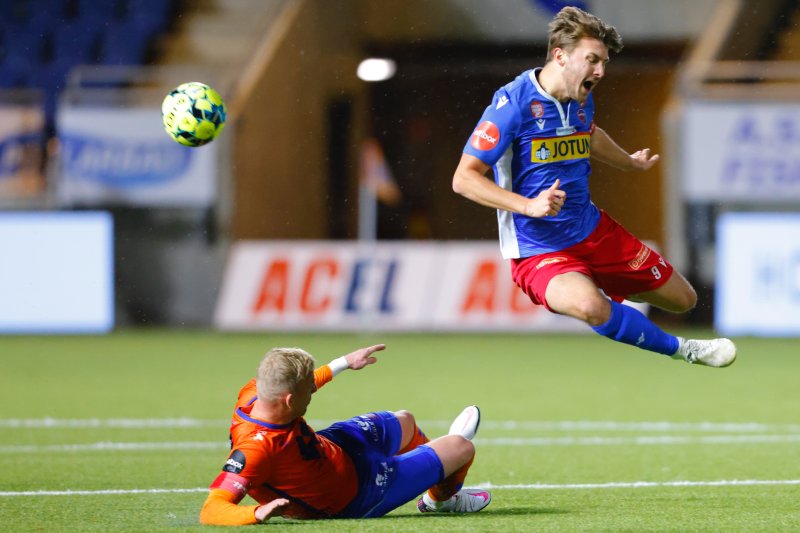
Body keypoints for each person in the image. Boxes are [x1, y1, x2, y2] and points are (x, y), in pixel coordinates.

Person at [452, 6, 736, 367]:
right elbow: (464, 178)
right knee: (590, 305)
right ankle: (684, 349)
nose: (600, 71)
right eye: (592, 60)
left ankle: (604, 289)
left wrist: (628, 162)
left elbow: (589, 133)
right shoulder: (512, 105)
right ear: (560, 56)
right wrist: (528, 205)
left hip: (594, 231)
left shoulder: (581, 97)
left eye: (604, 62)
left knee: (683, 299)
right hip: (538, 248)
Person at [199, 344, 491, 525]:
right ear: (289, 400)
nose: (313, 390)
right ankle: (440, 500)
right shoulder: (255, 449)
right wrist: (255, 514)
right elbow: (212, 509)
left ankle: (436, 473)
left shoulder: (257, 391)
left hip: (335, 447)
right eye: (309, 390)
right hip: (353, 495)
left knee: (405, 421)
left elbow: (302, 382)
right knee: (461, 447)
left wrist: (343, 363)